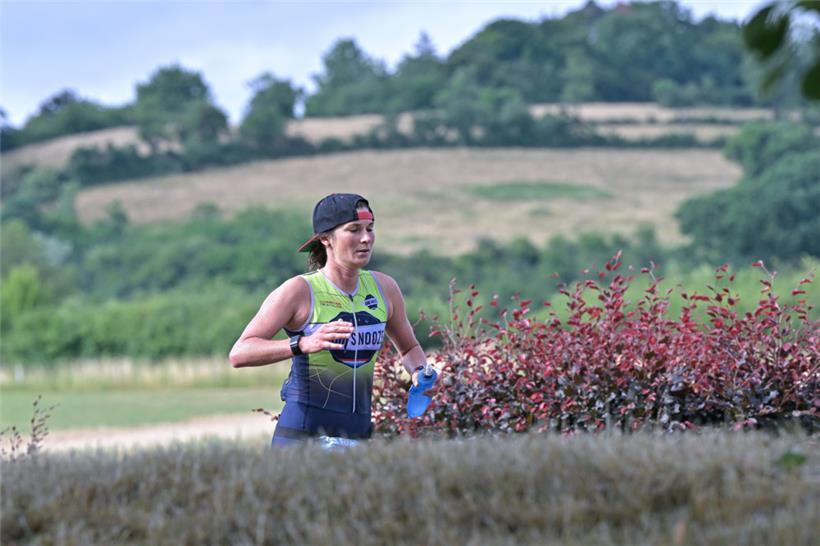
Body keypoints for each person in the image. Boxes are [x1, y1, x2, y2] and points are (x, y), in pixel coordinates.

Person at [229, 193, 438, 447]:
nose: (366, 238)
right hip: (302, 440)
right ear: (326, 238)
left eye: (370, 229)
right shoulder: (298, 291)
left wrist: (418, 372)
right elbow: (240, 353)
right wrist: (301, 344)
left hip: (358, 438)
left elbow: (410, 348)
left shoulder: (385, 288)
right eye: (354, 230)